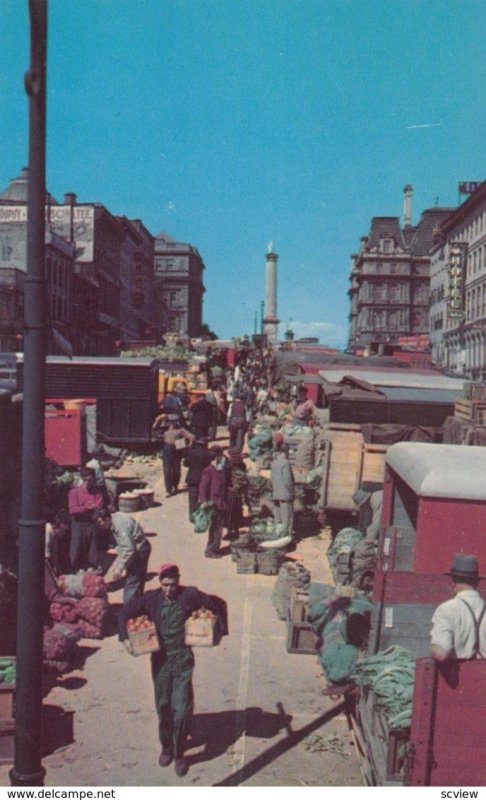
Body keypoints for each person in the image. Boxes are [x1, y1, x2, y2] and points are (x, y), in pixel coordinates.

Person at [118, 563, 227, 776]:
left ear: (178, 581)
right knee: (164, 706)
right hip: (160, 662)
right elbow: (125, 612)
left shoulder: (189, 595)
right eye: (165, 584)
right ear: (160, 582)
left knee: (182, 708)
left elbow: (216, 604)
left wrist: (219, 630)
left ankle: (179, 754)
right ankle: (166, 747)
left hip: (183, 658)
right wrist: (125, 639)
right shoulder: (151, 599)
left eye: (173, 584)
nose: (169, 589)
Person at [430, 553, 486, 661]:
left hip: (459, 676)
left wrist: (433, 647)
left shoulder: (446, 609)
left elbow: (440, 653)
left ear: (454, 581)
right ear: (477, 582)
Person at [94, 508, 151, 605]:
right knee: (138, 579)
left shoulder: (119, 525)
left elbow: (129, 549)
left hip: (140, 550)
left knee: (132, 581)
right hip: (140, 546)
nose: (100, 526)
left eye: (101, 522)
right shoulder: (115, 519)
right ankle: (138, 605)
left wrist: (119, 568)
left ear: (107, 519)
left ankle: (128, 609)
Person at [68, 467, 105, 572]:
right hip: (78, 524)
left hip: (91, 523)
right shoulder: (74, 492)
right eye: (85, 480)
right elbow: (72, 510)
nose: (88, 483)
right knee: (76, 547)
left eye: (90, 480)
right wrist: (87, 508)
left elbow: (98, 507)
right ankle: (74, 569)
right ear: (82, 478)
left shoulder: (97, 493)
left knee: (92, 548)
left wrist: (88, 509)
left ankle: (91, 567)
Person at [199, 446, 228, 558]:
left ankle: (214, 548)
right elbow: (203, 487)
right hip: (213, 504)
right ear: (217, 456)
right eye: (221, 455)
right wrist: (204, 501)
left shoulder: (220, 469)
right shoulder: (209, 470)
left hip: (220, 502)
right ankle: (211, 550)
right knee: (215, 528)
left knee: (218, 528)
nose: (223, 458)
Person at [159, 416, 194, 498]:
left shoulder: (180, 430)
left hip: (177, 448)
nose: (173, 424)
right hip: (167, 448)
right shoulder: (165, 429)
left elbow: (191, 437)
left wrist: (188, 447)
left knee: (176, 470)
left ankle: (175, 487)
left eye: (175, 422)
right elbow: (154, 428)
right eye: (171, 422)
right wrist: (159, 418)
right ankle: (168, 489)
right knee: (167, 470)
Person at [183, 436, 213, 521]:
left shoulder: (191, 452)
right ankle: (204, 516)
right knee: (205, 498)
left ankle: (192, 517)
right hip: (204, 479)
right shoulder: (207, 454)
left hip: (192, 478)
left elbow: (186, 463)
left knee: (192, 499)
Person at [223, 448, 249, 540]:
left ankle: (230, 532)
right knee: (237, 512)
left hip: (231, 492)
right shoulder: (243, 465)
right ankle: (236, 530)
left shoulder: (228, 466)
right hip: (239, 492)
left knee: (230, 512)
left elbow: (225, 479)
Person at [270, 443, 295, 537]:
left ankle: (278, 535)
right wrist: (292, 493)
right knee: (287, 518)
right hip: (285, 494)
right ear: (286, 452)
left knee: (278, 517)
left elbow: (271, 479)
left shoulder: (274, 463)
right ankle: (287, 536)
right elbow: (288, 480)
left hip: (276, 493)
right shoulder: (286, 463)